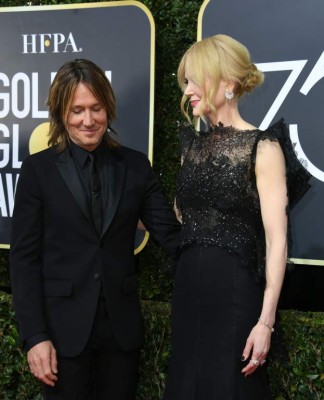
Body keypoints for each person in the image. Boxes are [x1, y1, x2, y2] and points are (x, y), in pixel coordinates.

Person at [10, 58, 181, 400]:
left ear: (108, 108)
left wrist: (227, 252)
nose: (88, 120)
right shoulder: (37, 172)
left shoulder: (135, 166)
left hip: (121, 334)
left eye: (96, 108)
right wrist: (35, 336)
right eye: (77, 111)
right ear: (61, 113)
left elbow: (171, 234)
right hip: (60, 334)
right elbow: (24, 260)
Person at [163, 34, 311, 399]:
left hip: (233, 293)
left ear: (227, 83)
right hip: (187, 291)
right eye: (186, 82)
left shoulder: (263, 147)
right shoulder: (191, 147)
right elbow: (183, 217)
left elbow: (278, 241)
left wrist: (265, 321)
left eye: (196, 79)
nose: (189, 90)